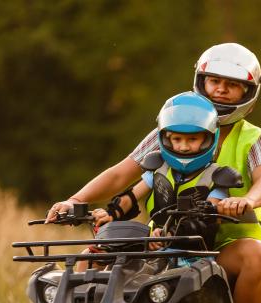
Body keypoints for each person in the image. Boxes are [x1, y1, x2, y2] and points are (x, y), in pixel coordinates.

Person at [47, 43, 261, 303]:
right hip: (162, 241)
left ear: (248, 92)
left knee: (257, 255)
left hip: (225, 244)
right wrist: (75, 200)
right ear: (201, 82)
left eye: (232, 85)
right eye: (215, 81)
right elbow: (122, 174)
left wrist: (245, 200)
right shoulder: (171, 129)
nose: (221, 90)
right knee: (87, 259)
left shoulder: (254, 138)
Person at [75, 91, 235, 271]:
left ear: (208, 138)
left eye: (192, 139)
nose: (183, 146)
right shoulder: (158, 168)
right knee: (88, 258)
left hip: (192, 256)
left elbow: (208, 218)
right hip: (152, 246)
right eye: (177, 139)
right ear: (166, 139)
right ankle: (84, 298)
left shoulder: (218, 177)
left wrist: (168, 235)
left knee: (148, 276)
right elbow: (131, 197)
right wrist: (110, 214)